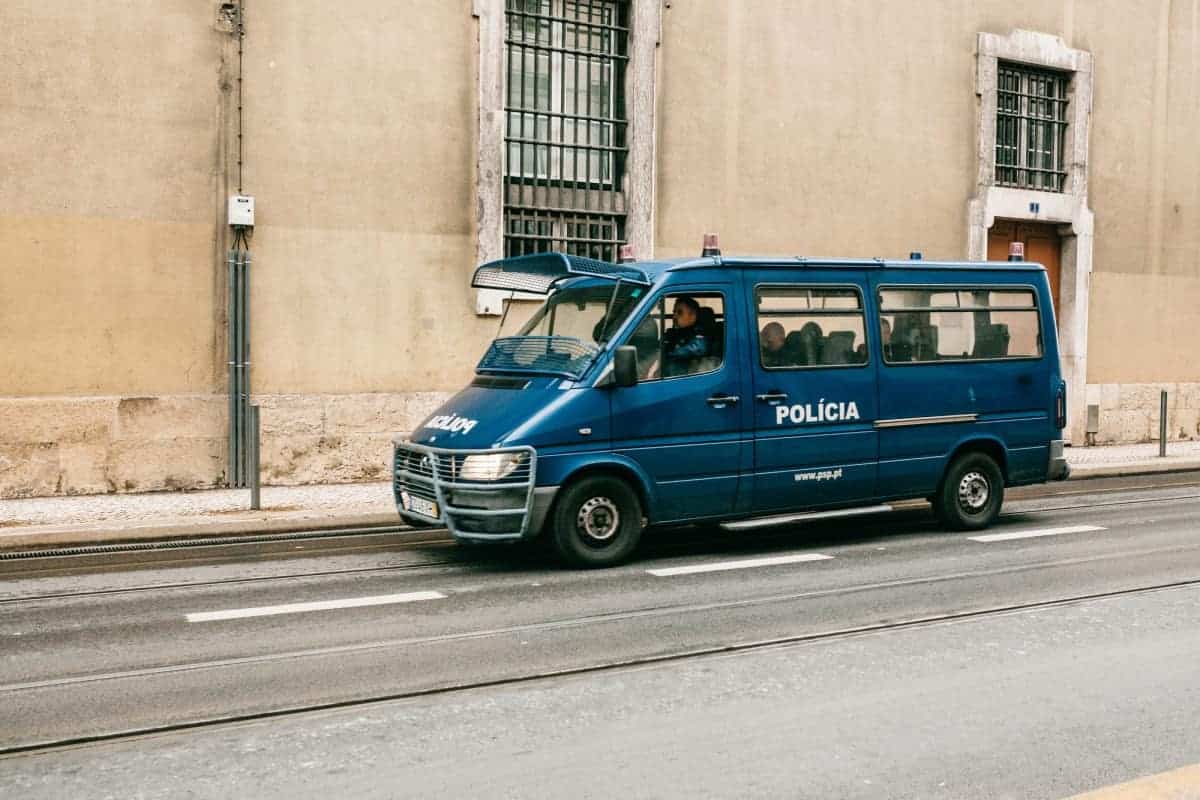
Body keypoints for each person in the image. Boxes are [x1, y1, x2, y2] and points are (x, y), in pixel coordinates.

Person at [661, 296, 710, 377]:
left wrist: (669, 353)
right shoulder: (676, 332)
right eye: (674, 312)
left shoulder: (699, 334)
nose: (674, 316)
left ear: (692, 315)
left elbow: (697, 349)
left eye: (679, 312)